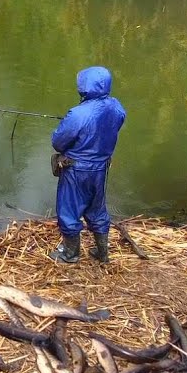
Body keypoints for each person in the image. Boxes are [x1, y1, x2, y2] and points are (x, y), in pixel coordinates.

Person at [48, 66, 126, 264]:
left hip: (77, 169)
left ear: (86, 86)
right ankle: (103, 253)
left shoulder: (78, 113)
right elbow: (117, 123)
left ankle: (70, 254)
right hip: (101, 168)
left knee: (69, 210)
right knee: (97, 209)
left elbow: (58, 142)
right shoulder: (116, 107)